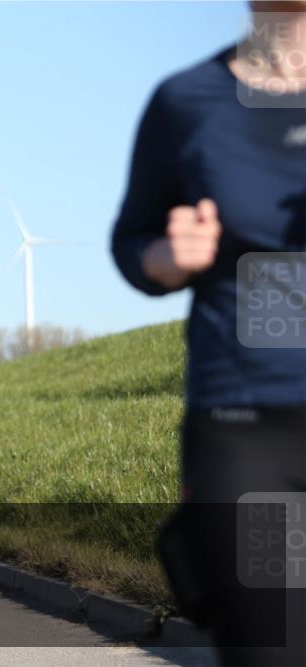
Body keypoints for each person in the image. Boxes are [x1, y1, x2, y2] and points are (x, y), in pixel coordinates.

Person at [111, 6, 305, 665]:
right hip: (248, 424)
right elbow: (130, 237)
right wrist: (166, 255)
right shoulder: (188, 99)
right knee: (270, 645)